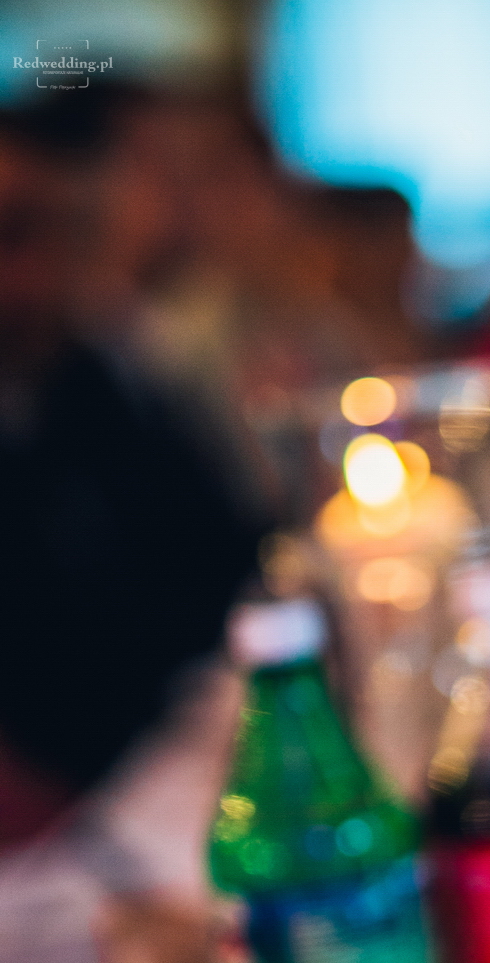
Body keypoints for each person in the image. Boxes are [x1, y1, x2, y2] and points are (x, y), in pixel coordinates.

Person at [0, 103, 265, 842]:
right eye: (14, 236)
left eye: (66, 236)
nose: (37, 275)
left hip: (163, 785)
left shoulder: (95, 382)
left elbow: (229, 561)